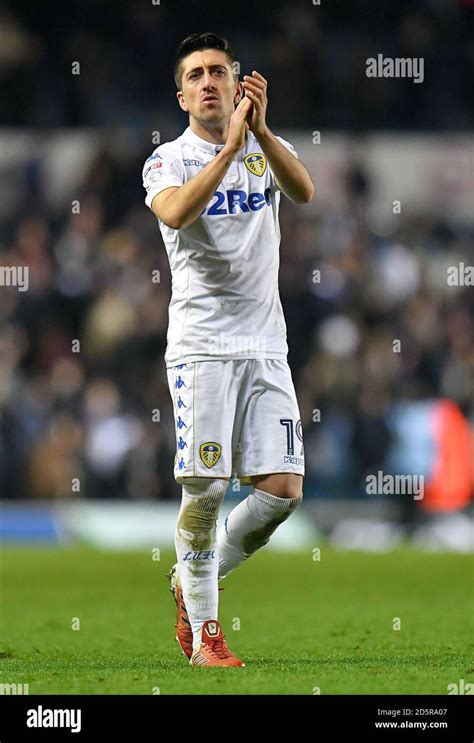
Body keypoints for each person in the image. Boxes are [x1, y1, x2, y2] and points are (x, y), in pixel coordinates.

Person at [142, 32, 314, 667]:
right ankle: (207, 638)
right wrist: (231, 150)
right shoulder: (168, 160)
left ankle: (187, 582)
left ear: (237, 81)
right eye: (197, 74)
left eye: (220, 70)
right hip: (202, 348)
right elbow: (178, 213)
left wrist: (262, 135)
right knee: (208, 489)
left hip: (268, 345)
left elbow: (305, 192)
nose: (209, 81)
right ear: (182, 93)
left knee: (283, 491)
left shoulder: (266, 150)